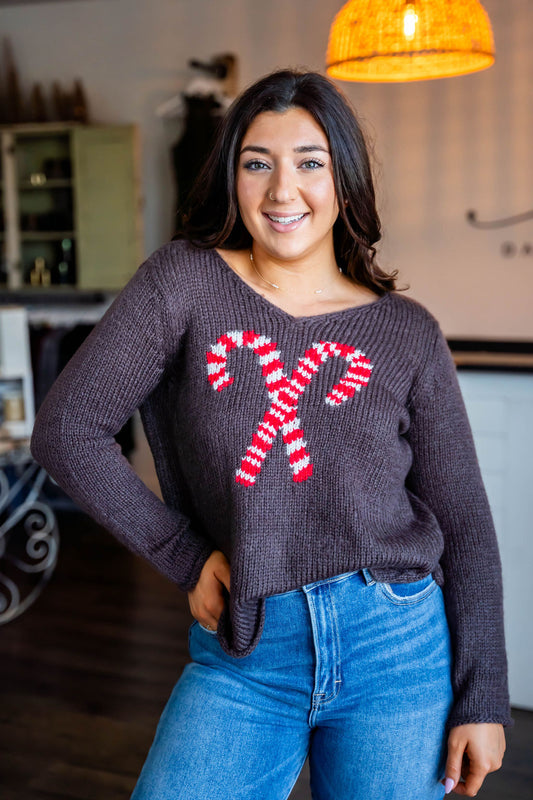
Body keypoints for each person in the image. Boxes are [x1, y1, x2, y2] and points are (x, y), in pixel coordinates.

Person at [30, 69, 511, 800]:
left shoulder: (404, 333)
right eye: (257, 163)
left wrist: (483, 698)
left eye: (309, 163)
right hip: (247, 643)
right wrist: (184, 555)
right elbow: (67, 430)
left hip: (396, 643)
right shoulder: (183, 283)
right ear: (232, 178)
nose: (282, 191)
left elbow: (464, 522)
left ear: (343, 181)